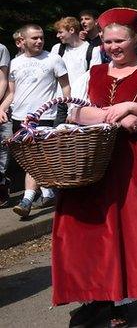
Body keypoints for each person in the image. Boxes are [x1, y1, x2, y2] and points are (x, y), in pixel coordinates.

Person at [53, 7, 137, 327]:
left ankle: (121, 300)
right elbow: (75, 114)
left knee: (127, 225)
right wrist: (120, 116)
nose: (113, 47)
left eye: (119, 40)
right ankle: (96, 293)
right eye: (108, 41)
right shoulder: (93, 73)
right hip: (94, 157)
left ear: (134, 38)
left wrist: (133, 106)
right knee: (93, 226)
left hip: (135, 157)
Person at [2, 24, 70, 219]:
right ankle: (48, 192)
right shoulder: (15, 63)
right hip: (19, 118)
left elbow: (66, 88)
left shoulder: (54, 59)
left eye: (41, 37)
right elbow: (12, 92)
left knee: (33, 158)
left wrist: (67, 110)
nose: (39, 41)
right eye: (34, 38)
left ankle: (27, 199)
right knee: (28, 160)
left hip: (44, 117)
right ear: (22, 41)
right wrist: (2, 108)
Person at [52, 16, 102, 124]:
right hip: (60, 103)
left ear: (71, 30)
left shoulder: (92, 50)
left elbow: (93, 79)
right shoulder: (57, 49)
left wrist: (74, 109)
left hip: (80, 102)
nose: (58, 36)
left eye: (60, 32)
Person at [0, 42, 10, 205]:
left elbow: (3, 80)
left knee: (3, 149)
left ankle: (2, 189)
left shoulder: (1, 49)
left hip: (1, 106)